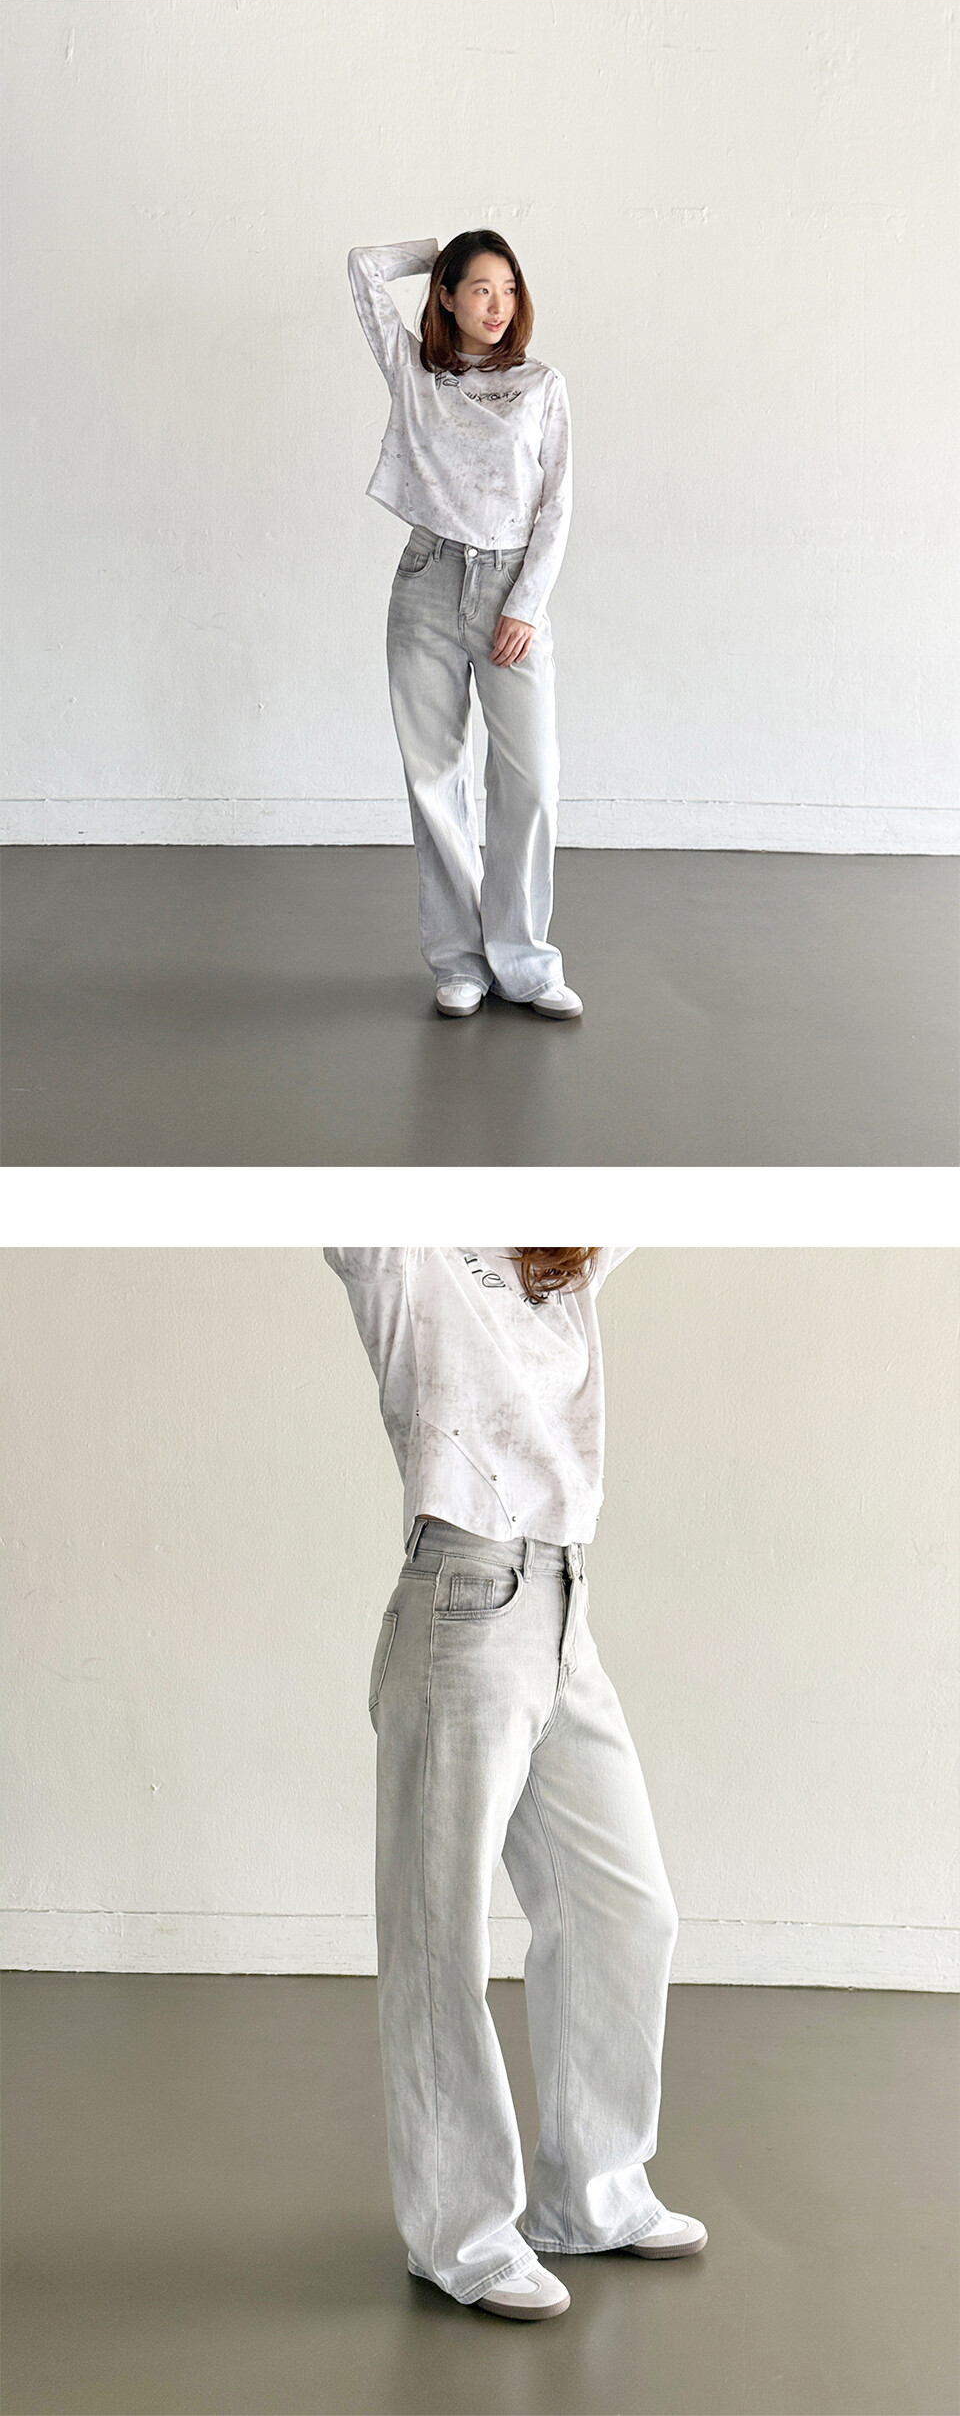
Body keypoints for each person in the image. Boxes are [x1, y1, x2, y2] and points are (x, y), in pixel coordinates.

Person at [326, 1242, 707, 2320]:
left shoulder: (560, 1256)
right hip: (463, 1599)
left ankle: (592, 2192)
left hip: (565, 1609)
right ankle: (461, 2234)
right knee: (441, 1935)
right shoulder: (409, 1251)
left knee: (624, 1906)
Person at [346, 225, 580, 1015]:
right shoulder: (416, 371)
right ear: (446, 295)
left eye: (509, 288)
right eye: (480, 287)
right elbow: (362, 269)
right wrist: (436, 250)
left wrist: (526, 604)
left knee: (531, 779)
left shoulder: (541, 384)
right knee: (434, 777)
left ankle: (525, 962)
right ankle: (459, 960)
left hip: (510, 587)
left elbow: (557, 506)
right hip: (426, 580)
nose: (497, 303)